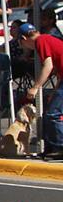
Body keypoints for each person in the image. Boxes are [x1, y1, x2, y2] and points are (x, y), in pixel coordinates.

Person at [23, 24, 63, 158]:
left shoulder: (41, 40)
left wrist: (35, 87)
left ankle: (59, 147)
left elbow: (48, 66)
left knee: (53, 114)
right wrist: (55, 90)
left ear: (24, 38)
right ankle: (51, 148)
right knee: (50, 112)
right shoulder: (47, 39)